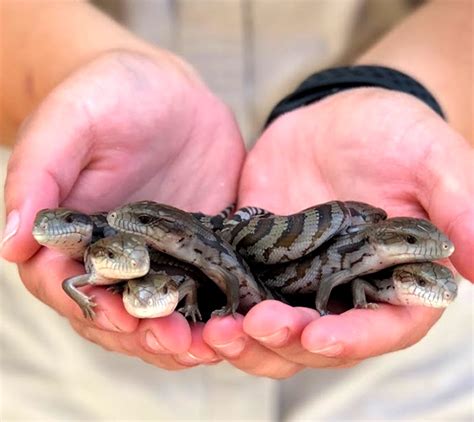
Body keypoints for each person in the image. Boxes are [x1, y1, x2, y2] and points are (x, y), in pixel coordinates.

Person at [1, 0, 472, 383]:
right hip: (58, 376)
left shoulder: (359, 245)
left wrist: (398, 88)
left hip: (407, 387)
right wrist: (65, 67)